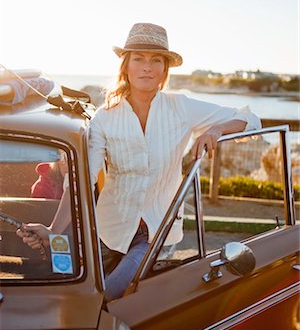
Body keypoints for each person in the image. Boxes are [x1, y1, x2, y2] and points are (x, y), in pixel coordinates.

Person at [18, 22, 261, 301]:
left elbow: (251, 118)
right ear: (126, 65)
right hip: (109, 229)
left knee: (108, 295)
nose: (147, 67)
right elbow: (82, 179)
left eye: (156, 60)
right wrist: (51, 231)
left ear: (164, 69)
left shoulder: (182, 107)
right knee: (71, 289)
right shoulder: (105, 117)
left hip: (156, 234)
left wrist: (216, 128)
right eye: (139, 58)